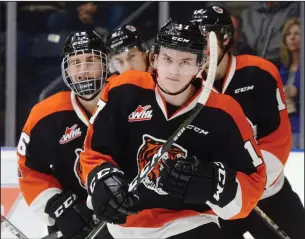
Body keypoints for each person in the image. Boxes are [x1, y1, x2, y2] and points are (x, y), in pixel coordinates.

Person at [79, 19, 266, 239]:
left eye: (186, 61)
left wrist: (213, 184)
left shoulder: (224, 111)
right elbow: (93, 153)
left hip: (189, 223)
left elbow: (253, 184)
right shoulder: (123, 90)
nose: (174, 71)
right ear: (154, 58)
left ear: (201, 64)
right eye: (167, 59)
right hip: (125, 223)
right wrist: (103, 182)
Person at [190, 5, 305, 239]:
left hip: (268, 191)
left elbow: (277, 139)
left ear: (225, 38)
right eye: (195, 37)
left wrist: (248, 185)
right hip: (217, 199)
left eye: (206, 36)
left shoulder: (259, 73)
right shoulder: (187, 84)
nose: (201, 44)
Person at [17, 31, 113, 239]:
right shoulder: (45, 115)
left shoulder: (129, 100)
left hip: (130, 220)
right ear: (66, 69)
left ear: (106, 64)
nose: (83, 70)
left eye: (91, 61)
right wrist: (57, 206)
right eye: (75, 63)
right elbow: (30, 169)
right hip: (74, 225)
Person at [279, 18, 301, 149]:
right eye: (289, 34)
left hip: (300, 124)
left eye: (297, 34)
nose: (292, 37)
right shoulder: (283, 67)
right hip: (285, 124)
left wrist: (297, 93)